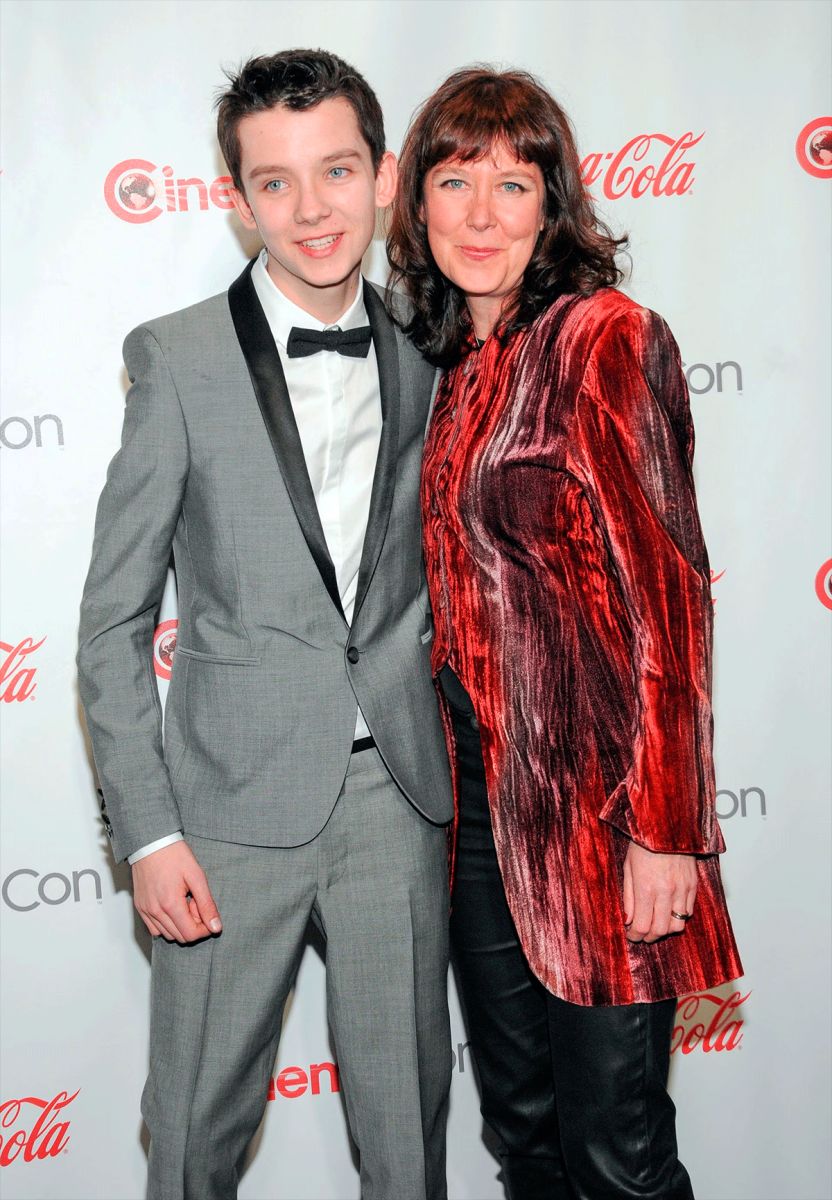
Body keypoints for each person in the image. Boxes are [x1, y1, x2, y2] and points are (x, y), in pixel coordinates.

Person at [77, 50, 453, 1200]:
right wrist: (148, 835)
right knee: (193, 1135)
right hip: (224, 818)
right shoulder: (176, 357)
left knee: (408, 1140)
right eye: (275, 181)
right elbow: (112, 621)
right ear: (237, 198)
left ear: (383, 177)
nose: (311, 208)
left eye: (335, 171)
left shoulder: (437, 345)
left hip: (397, 800)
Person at [388, 66, 743, 1200]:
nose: (481, 215)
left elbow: (671, 599)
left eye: (513, 184)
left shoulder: (605, 338)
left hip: (601, 816)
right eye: (455, 182)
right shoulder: (451, 365)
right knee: (525, 1138)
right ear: (418, 203)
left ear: (553, 205)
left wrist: (666, 831)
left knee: (616, 1156)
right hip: (477, 818)